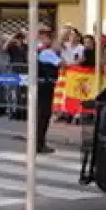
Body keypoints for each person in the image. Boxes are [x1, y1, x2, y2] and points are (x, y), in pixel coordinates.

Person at [34, 26, 63, 154]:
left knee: (42, 114)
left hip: (43, 85)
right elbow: (62, 64)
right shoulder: (47, 52)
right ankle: (39, 144)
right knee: (43, 115)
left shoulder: (42, 50)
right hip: (45, 86)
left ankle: (38, 142)